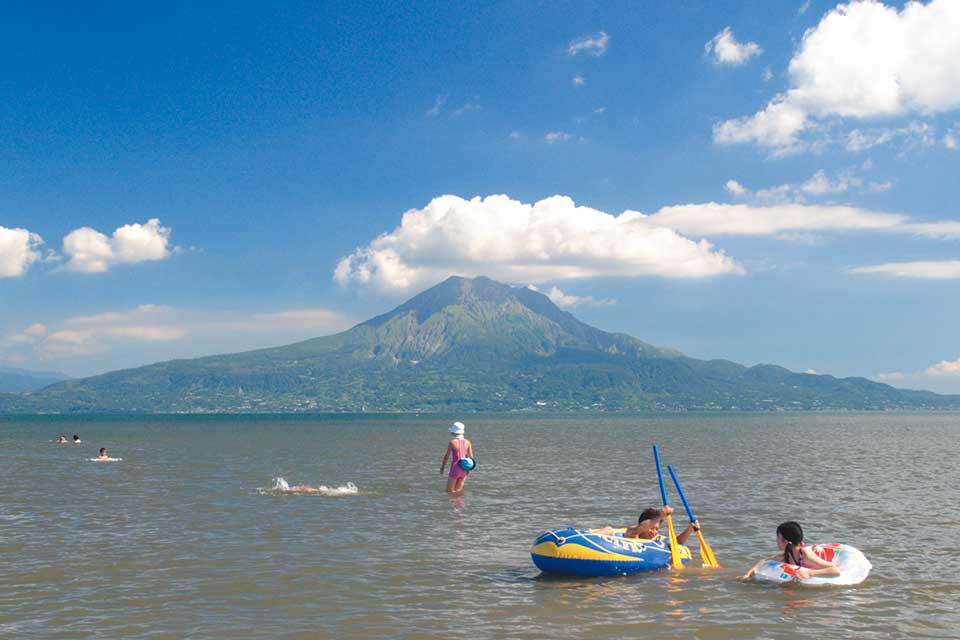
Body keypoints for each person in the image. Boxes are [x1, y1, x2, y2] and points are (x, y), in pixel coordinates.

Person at [741, 521, 840, 580]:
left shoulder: (805, 555)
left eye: (778, 537)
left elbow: (834, 570)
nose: (776, 540)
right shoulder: (786, 555)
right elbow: (764, 561)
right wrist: (748, 574)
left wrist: (810, 573)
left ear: (786, 541)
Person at [594, 506, 699, 543]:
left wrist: (690, 528)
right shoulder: (632, 531)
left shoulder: (657, 540)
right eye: (652, 528)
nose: (654, 532)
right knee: (608, 530)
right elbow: (640, 528)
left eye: (656, 529)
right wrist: (661, 516)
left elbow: (677, 542)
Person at [440, 421, 474, 493]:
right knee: (458, 492)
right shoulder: (468, 442)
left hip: (455, 469)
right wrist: (468, 469)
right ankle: (460, 504)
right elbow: (471, 458)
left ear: (454, 432)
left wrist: (442, 467)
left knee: (449, 492)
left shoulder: (452, 442)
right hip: (464, 469)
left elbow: (446, 457)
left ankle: (452, 504)